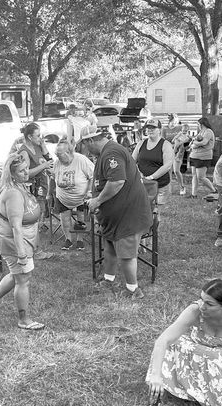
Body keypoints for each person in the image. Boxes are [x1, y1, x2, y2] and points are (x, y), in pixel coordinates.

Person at [84, 128, 153, 299]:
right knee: (110, 248)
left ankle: (133, 290)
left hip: (127, 215)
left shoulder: (111, 153)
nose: (85, 149)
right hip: (114, 218)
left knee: (126, 255)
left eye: (85, 145)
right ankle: (109, 280)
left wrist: (98, 201)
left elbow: (117, 182)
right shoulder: (106, 153)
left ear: (90, 141)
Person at [0, 154, 44, 330]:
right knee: (23, 279)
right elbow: (16, 226)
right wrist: (21, 253)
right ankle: (24, 320)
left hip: (22, 239)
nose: (26, 173)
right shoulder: (13, 193)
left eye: (26, 168)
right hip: (14, 241)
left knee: (19, 274)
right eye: (21, 171)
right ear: (12, 174)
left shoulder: (19, 186)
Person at [10, 122, 54, 259]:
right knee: (34, 219)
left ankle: (33, 248)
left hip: (42, 186)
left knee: (39, 218)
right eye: (38, 135)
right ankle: (35, 250)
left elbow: (50, 162)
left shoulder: (38, 146)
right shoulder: (24, 151)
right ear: (29, 136)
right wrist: (44, 166)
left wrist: (44, 146)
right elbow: (25, 173)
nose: (40, 138)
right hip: (33, 188)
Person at [51, 139, 94, 250]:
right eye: (56, 154)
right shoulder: (57, 163)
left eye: (59, 154)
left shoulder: (81, 160)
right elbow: (52, 177)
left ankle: (80, 240)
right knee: (65, 218)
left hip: (81, 197)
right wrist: (48, 193)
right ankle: (68, 239)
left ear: (68, 152)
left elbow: (93, 176)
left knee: (81, 218)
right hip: (63, 197)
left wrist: (89, 192)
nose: (57, 156)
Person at [132, 119, 174, 205]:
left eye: (153, 128)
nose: (150, 130)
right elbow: (132, 161)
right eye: (148, 128)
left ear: (159, 130)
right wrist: (138, 173)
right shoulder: (141, 144)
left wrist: (151, 177)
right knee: (143, 209)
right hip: (143, 184)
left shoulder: (166, 145)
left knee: (157, 212)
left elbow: (167, 166)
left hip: (160, 185)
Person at [187, 117, 217, 199]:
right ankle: (194, 194)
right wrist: (193, 143)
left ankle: (214, 190)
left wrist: (194, 142)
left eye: (198, 124)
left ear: (202, 124)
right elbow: (195, 142)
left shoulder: (208, 132)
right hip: (194, 156)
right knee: (194, 175)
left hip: (203, 157)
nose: (198, 126)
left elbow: (204, 142)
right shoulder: (201, 132)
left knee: (201, 176)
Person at [172, 123, 191, 196]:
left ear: (188, 130)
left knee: (176, 171)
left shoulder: (188, 137)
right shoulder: (178, 136)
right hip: (172, 153)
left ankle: (182, 187)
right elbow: (174, 142)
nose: (184, 132)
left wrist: (183, 141)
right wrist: (178, 138)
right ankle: (166, 188)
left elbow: (187, 147)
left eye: (186, 130)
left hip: (179, 155)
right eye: (183, 130)